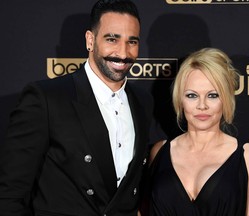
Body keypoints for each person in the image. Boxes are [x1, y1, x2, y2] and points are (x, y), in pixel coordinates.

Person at [0, 0, 165, 215]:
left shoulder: (143, 101)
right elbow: (10, 194)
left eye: (131, 42)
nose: (123, 53)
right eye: (112, 39)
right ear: (90, 40)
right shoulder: (46, 99)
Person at [145, 48, 249, 215]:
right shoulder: (159, 151)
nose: (202, 105)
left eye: (212, 95)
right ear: (180, 100)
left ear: (225, 98)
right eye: (192, 95)